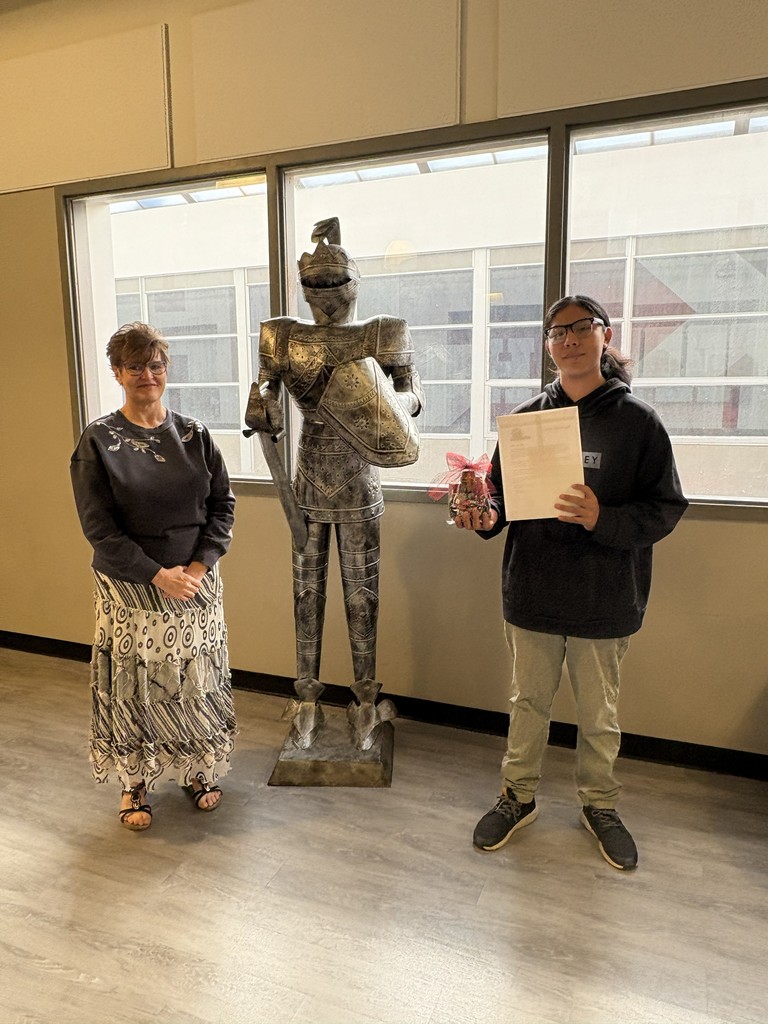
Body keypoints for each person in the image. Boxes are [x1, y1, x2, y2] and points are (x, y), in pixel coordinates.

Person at [454, 295, 687, 869]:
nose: (570, 339)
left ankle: (599, 805)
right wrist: (483, 516)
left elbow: (666, 508)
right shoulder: (527, 420)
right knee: (527, 703)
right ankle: (518, 797)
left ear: (605, 336)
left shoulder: (638, 422)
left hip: (605, 595)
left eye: (582, 327)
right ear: (548, 345)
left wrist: (602, 518)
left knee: (599, 715)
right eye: (558, 332)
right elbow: (504, 504)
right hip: (533, 588)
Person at [244, 217, 424, 750]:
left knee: (361, 594)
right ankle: (306, 698)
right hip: (307, 477)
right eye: (314, 284)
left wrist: (383, 405)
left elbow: (412, 396)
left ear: (353, 282)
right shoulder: (282, 334)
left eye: (333, 282)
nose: (324, 293)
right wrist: (262, 403)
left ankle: (365, 698)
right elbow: (267, 389)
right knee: (306, 592)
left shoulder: (382, 331)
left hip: (360, 473)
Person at [70, 322, 237, 831]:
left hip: (196, 586)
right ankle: (134, 783)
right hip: (131, 590)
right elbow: (100, 530)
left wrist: (196, 568)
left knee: (194, 681)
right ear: (117, 373)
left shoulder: (195, 434)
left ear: (167, 369)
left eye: (155, 365)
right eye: (135, 366)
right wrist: (159, 576)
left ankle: (197, 770)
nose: (147, 374)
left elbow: (222, 507)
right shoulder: (99, 440)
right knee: (135, 686)